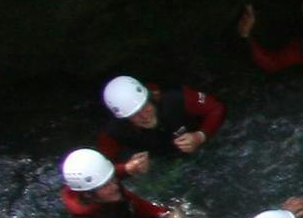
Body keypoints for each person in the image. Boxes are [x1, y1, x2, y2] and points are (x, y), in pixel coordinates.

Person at [96, 74, 224, 179]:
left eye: (144, 107)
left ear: (150, 98)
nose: (144, 117)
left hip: (206, 144)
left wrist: (201, 135)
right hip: (164, 161)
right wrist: (127, 169)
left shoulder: (174, 97)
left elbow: (216, 108)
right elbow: (100, 175)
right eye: (134, 114)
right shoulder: (113, 132)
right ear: (124, 118)